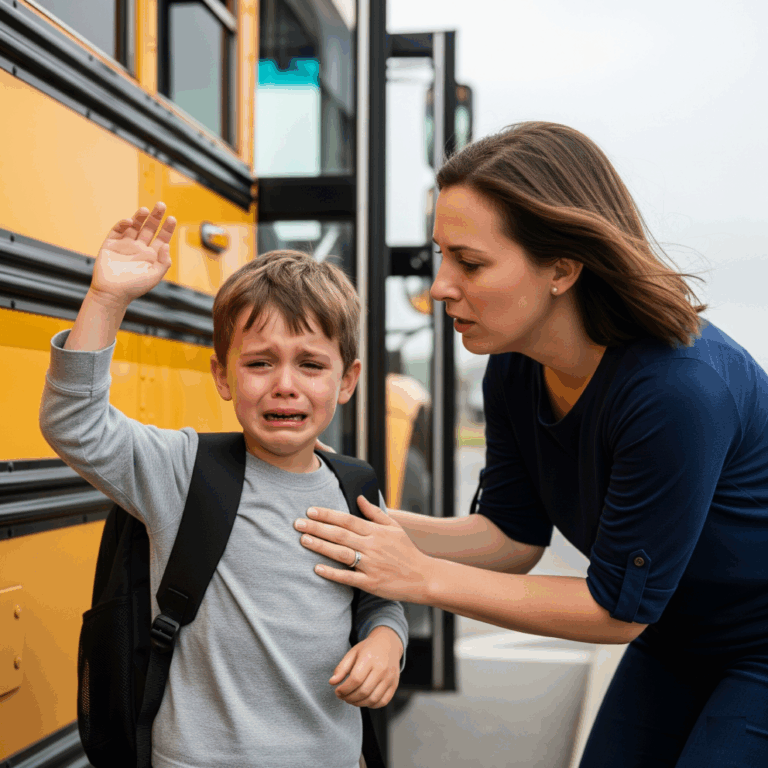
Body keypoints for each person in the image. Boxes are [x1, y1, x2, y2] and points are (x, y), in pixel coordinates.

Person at [293, 122, 768, 767]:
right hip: (677, 637)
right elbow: (512, 538)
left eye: (470, 261)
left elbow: (614, 611)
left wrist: (422, 576)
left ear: (562, 269)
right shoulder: (514, 367)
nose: (438, 286)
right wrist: (343, 519)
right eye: (440, 255)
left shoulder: (677, 389)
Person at [39, 203, 407, 768]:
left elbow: (381, 599)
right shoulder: (182, 469)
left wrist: (388, 642)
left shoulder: (355, 486)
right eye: (260, 363)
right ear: (223, 376)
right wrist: (107, 298)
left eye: (311, 365)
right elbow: (75, 424)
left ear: (347, 380)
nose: (285, 385)